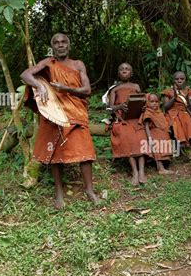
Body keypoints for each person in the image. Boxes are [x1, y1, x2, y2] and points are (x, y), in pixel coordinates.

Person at [21, 33, 99, 209]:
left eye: (64, 42)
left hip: (76, 112)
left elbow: (87, 90)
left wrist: (65, 88)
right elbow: (26, 75)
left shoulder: (78, 64)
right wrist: (40, 86)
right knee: (56, 153)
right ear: (53, 47)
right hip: (54, 112)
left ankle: (89, 189)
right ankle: (59, 193)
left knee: (85, 151)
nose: (60, 45)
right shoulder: (48, 63)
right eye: (56, 42)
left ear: (69, 45)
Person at [107, 63, 148, 186]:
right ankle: (134, 172)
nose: (124, 71)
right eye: (122, 69)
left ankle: (141, 171)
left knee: (140, 136)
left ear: (131, 73)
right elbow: (109, 108)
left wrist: (142, 105)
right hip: (122, 119)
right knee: (126, 136)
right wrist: (120, 106)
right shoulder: (114, 89)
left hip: (136, 118)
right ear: (118, 73)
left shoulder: (136, 86)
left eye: (127, 69)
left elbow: (142, 99)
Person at [161, 71, 191, 157]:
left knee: (190, 123)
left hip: (184, 113)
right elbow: (166, 107)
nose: (179, 80)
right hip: (172, 114)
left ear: (185, 80)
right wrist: (174, 97)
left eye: (182, 79)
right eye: (177, 79)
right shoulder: (168, 91)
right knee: (176, 124)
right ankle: (184, 148)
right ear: (173, 80)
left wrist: (187, 98)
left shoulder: (188, 91)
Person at [140, 93, 173, 174]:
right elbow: (146, 126)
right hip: (153, 134)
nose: (154, 103)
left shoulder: (159, 112)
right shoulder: (147, 112)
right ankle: (161, 168)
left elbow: (163, 124)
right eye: (152, 101)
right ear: (147, 102)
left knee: (164, 140)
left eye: (156, 101)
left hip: (162, 133)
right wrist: (149, 138)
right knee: (157, 146)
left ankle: (164, 164)